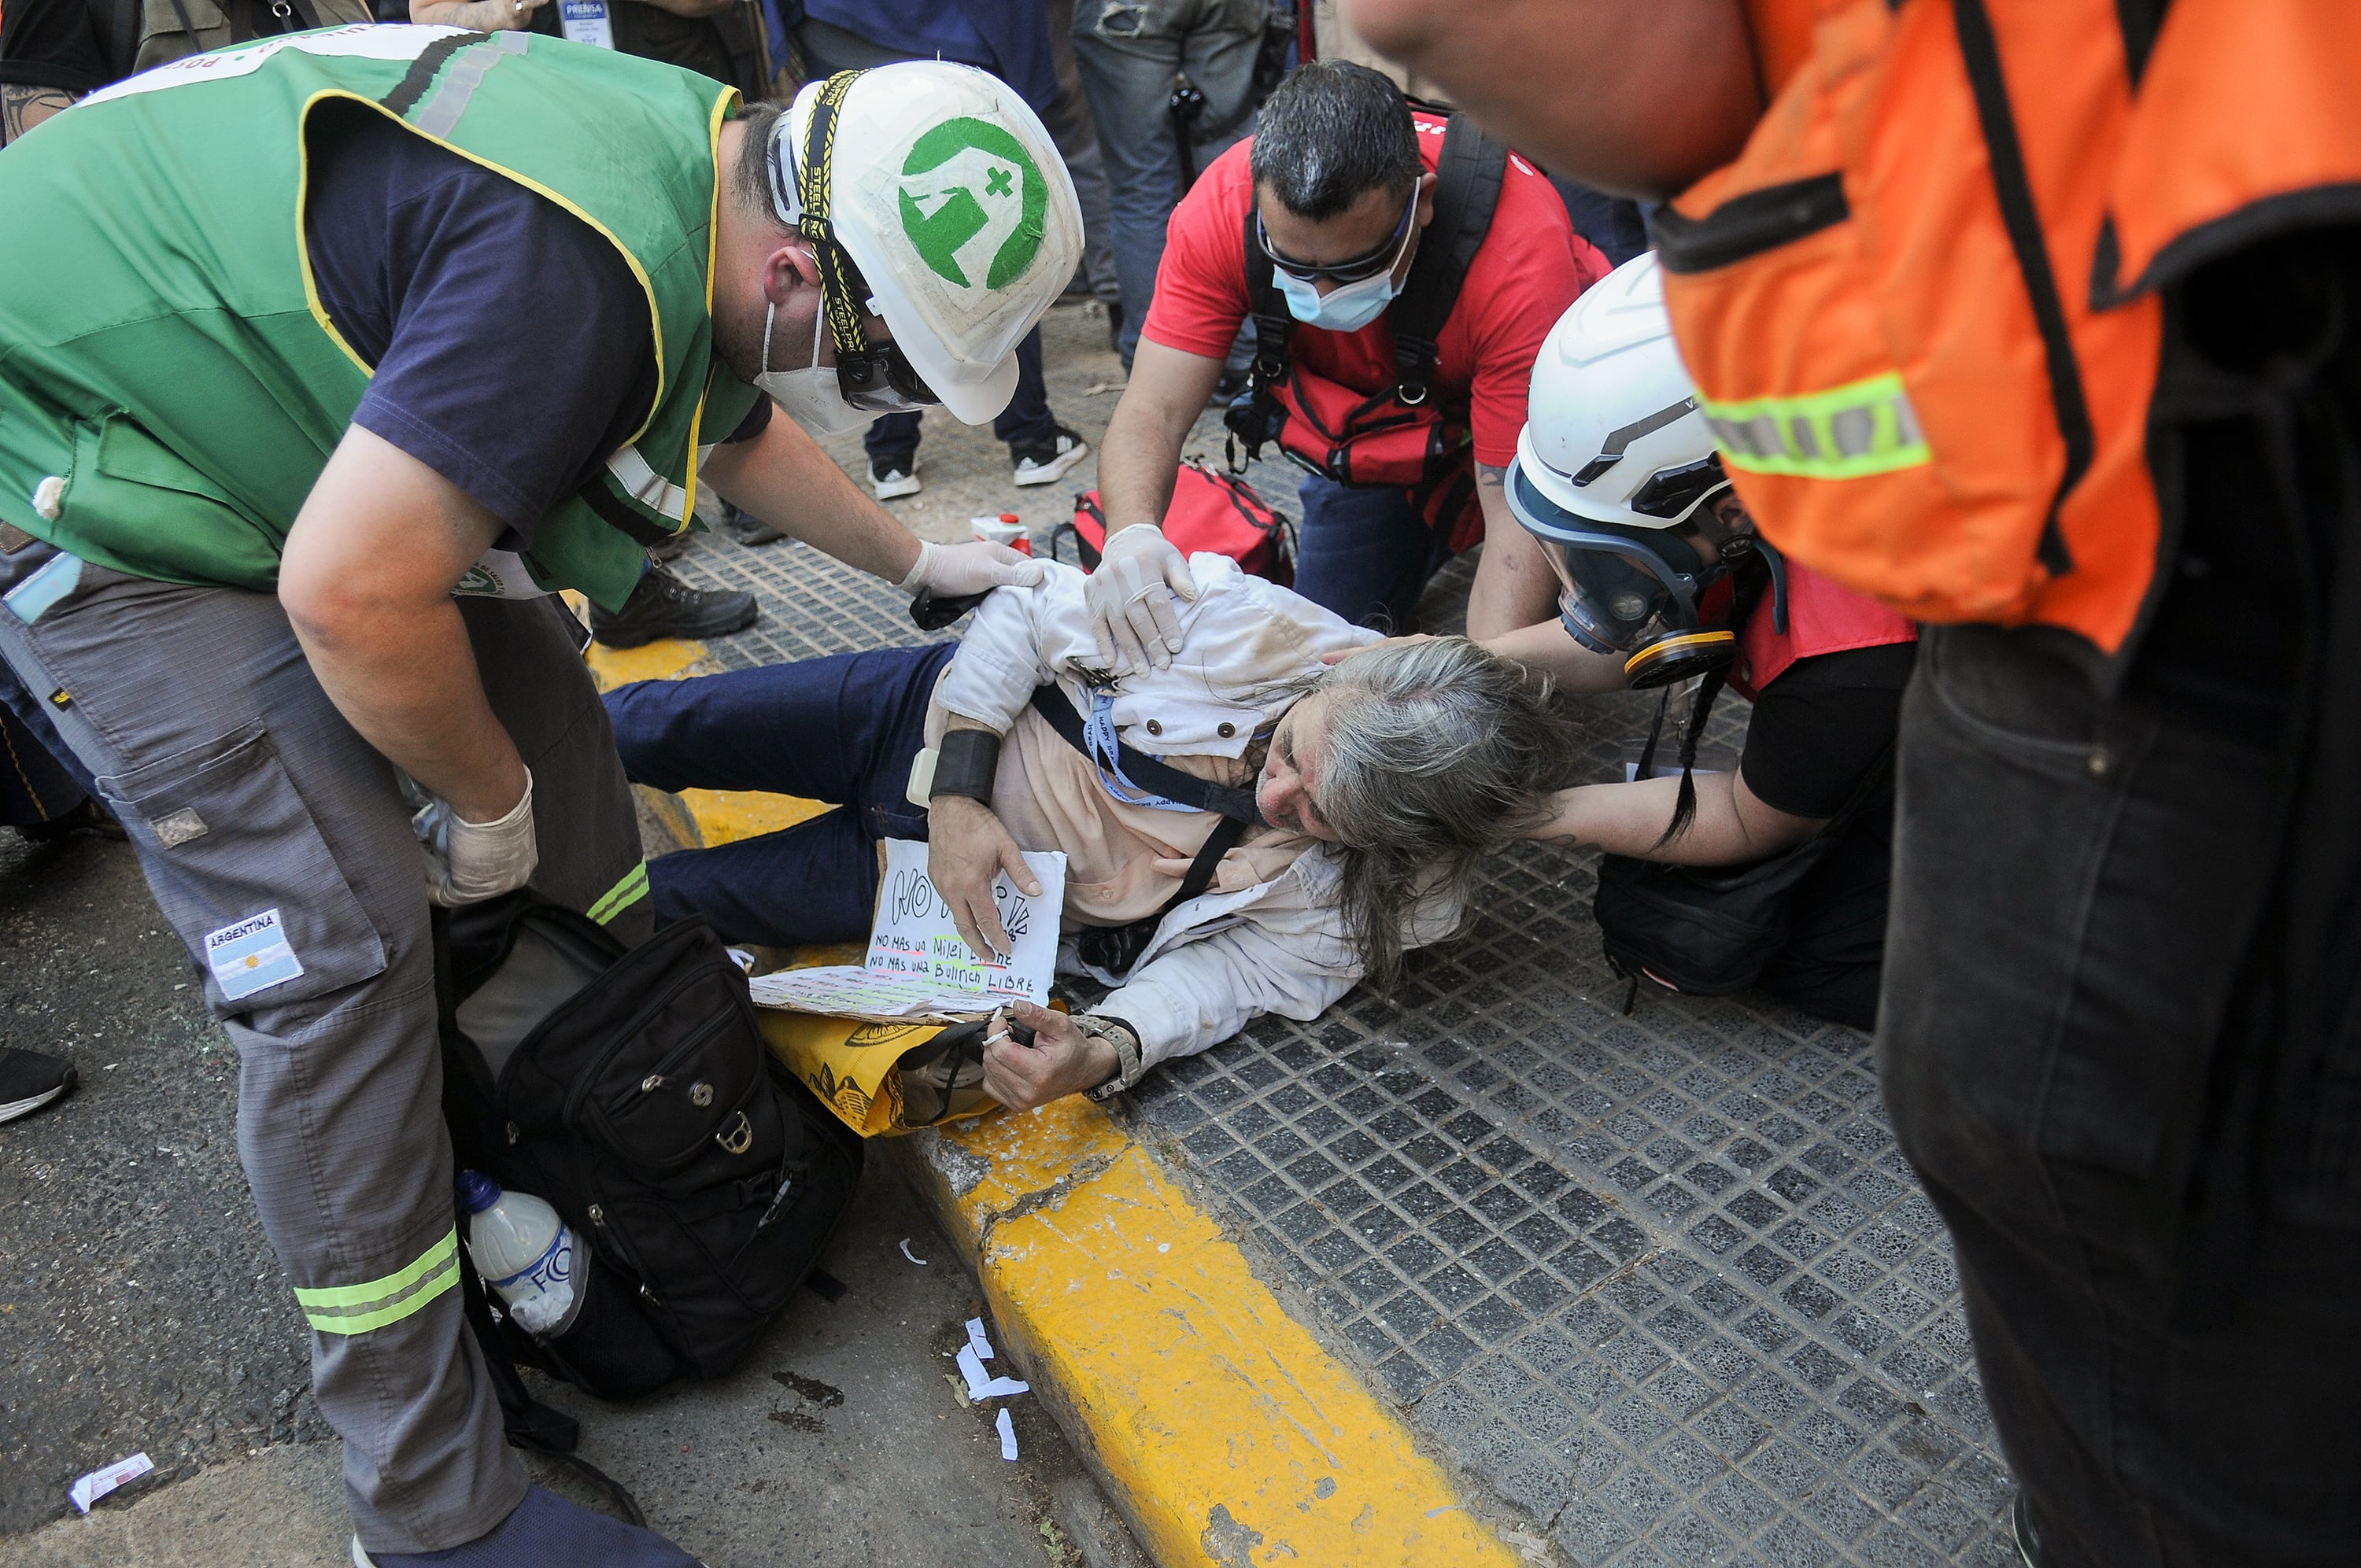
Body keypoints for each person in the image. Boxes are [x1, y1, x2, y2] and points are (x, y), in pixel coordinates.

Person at [0, 43, 1071, 1566]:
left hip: (240, 429)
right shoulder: (568, 272)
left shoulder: (690, 158)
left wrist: (912, 567)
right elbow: (356, 597)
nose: (861, 384)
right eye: (878, 354)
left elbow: (736, 424)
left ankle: (580, 1166)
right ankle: (433, 1509)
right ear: (793, 266)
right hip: (76, 464)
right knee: (341, 942)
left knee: (568, 743)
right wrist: (475, 806)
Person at [1343, 2, 2361, 1566]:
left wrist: (1525, 808)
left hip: (2183, 445)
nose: (1413, 75)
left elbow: (1745, 802)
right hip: (2186, 306)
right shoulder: (1820, 562)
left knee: (2037, 1118)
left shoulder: (1849, 660)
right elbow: (1622, 641)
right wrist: (1492, 648)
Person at [604, 555, 1579, 1109]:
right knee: (638, 728)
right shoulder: (1257, 630)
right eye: (1293, 753)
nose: (1278, 794)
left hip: (953, 893)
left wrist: (1103, 1047)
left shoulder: (1390, 896)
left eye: (1321, 817)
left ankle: (481, 912)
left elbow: (1236, 978)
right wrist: (957, 793)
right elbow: (1024, 613)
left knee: (670, 905)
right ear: (1345, 675)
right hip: (921, 718)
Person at [1487, 256, 1914, 1031]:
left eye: (1613, 552)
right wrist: (1476, 658)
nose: (1592, 587)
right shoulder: (1790, 475)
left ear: (1732, 510)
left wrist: (1518, 814)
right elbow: (1654, 633)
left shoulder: (1853, 653)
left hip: (2043, 763)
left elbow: (1753, 819)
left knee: (1804, 947)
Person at [1089, 58, 1605, 666]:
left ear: (1422, 203)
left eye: (1355, 267)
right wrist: (1130, 534)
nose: (1324, 296)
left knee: (1546, 646)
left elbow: (1516, 516)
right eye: (1296, 268)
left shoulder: (1516, 252)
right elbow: (1153, 407)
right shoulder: (1222, 210)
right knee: (1321, 655)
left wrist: (1477, 680)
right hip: (1375, 439)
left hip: (1538, 441)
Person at [789, 3, 1092, 501]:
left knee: (872, 249)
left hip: (841, 30)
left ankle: (890, 452)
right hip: (958, 39)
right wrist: (1028, 81)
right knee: (998, 258)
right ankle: (1031, 439)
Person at [1068, 0, 1274, 371]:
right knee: (1233, 178)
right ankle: (1246, 356)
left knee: (1140, 189)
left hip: (1127, 12)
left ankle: (1159, 363)